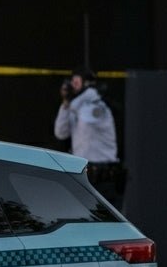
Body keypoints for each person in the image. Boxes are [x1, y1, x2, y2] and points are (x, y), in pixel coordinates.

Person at [53, 69, 125, 206]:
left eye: (76, 83)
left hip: (103, 177)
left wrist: (72, 102)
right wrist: (65, 105)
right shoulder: (77, 106)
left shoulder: (98, 105)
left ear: (86, 84)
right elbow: (61, 133)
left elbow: (88, 119)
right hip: (83, 173)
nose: (72, 87)